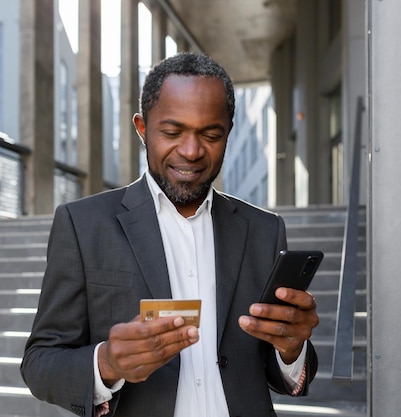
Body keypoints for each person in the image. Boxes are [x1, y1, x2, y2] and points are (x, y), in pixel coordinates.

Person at [21, 52, 319, 417]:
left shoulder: (265, 230)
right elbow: (39, 363)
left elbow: (277, 367)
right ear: (142, 129)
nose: (192, 151)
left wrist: (291, 348)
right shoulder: (83, 225)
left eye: (211, 134)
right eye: (172, 132)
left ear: (228, 131)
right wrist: (108, 363)